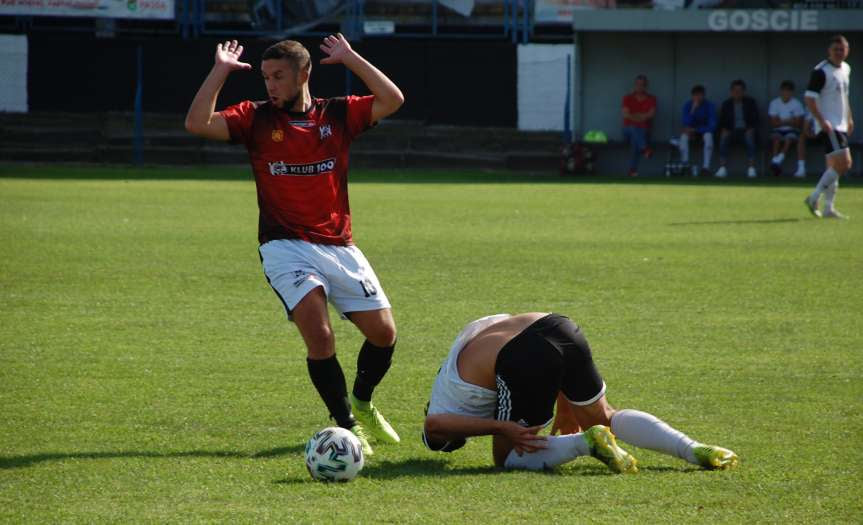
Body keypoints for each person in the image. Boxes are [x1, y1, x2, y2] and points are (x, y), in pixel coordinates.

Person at [184, 36, 405, 455]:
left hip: (339, 245)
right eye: (266, 77)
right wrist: (220, 70)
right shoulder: (255, 118)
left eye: (279, 76)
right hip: (285, 246)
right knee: (320, 338)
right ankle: (347, 424)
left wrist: (350, 58)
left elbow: (392, 99)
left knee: (384, 335)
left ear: (305, 74)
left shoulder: (337, 114)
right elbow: (198, 124)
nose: (270, 85)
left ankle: (362, 399)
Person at [422, 313, 739, 472]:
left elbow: (433, 428)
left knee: (507, 457)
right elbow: (536, 342)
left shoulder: (445, 403)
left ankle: (585, 443)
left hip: (520, 352)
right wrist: (565, 406)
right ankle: (693, 449)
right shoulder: (454, 364)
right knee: (602, 414)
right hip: (557, 324)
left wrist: (501, 426)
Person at [803, 35, 854, 220]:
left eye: (843, 49)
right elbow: (809, 98)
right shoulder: (821, 71)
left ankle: (828, 208)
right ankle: (813, 197)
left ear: (847, 50)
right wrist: (821, 120)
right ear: (829, 51)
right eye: (836, 49)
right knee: (845, 163)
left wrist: (849, 118)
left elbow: (844, 97)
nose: (839, 52)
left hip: (840, 123)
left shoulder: (846, 68)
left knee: (833, 168)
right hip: (829, 125)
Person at [716, 79, 760, 179]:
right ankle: (722, 168)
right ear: (731, 92)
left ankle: (751, 168)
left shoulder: (750, 102)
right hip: (731, 130)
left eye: (740, 90)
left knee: (750, 138)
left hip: (746, 130)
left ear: (744, 91)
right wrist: (724, 129)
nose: (737, 93)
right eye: (735, 90)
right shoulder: (726, 104)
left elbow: (756, 119)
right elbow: (722, 121)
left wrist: (751, 128)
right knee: (723, 137)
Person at [674, 85, 716, 177]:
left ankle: (706, 168)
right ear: (692, 96)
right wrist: (693, 110)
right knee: (683, 136)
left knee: (709, 136)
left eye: (700, 95)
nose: (698, 97)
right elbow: (685, 122)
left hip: (703, 133)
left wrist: (696, 130)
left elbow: (712, 126)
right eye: (695, 95)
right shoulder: (688, 105)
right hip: (691, 133)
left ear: (704, 96)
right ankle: (685, 166)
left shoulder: (710, 106)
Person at [768, 81, 806, 177]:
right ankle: (776, 163)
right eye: (784, 91)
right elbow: (773, 123)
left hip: (793, 130)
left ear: (792, 92)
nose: (786, 94)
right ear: (781, 91)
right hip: (778, 130)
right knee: (776, 139)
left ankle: (779, 159)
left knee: (789, 138)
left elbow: (798, 123)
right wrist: (790, 120)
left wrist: (782, 121)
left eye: (788, 91)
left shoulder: (797, 104)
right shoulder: (774, 103)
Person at [621, 74, 657, 177]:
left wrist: (635, 116)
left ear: (646, 86)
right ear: (635, 85)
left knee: (635, 140)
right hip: (627, 130)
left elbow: (651, 115)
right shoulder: (627, 98)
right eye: (638, 84)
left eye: (642, 85)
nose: (640, 87)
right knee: (633, 129)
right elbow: (625, 115)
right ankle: (644, 149)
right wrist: (641, 116)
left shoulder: (652, 99)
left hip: (644, 132)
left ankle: (632, 171)